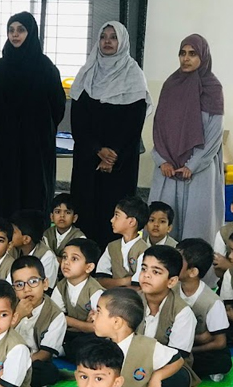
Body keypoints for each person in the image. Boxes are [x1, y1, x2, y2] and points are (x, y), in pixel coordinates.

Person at [0, 11, 66, 259]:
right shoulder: (2, 66)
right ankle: (1, 243)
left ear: (30, 33)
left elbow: (57, 106)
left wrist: (37, 128)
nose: (15, 35)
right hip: (7, 142)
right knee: (6, 188)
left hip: (36, 144)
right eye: (11, 30)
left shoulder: (45, 67)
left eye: (20, 30)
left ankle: (31, 245)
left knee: (33, 190)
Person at [70, 21, 151, 251]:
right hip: (88, 158)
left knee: (116, 211)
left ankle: (114, 258)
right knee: (85, 208)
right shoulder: (87, 73)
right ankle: (83, 257)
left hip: (120, 161)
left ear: (122, 42)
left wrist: (113, 155)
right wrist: (97, 150)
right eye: (103, 36)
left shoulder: (133, 75)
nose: (107, 41)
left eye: (113, 37)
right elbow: (77, 119)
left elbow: (134, 122)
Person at [148, 34, 224, 244]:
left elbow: (214, 134)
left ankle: (196, 266)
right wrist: (161, 160)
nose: (186, 58)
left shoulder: (212, 88)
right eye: (182, 53)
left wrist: (193, 164)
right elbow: (159, 128)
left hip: (199, 169)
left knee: (196, 228)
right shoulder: (171, 85)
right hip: (168, 169)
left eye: (192, 54)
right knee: (162, 226)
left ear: (203, 56)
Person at [93, 288, 183, 387]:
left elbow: (178, 360)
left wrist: (157, 377)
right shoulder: (97, 348)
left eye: (99, 311)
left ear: (117, 322)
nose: (93, 316)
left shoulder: (147, 346)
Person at [137, 245, 199, 387]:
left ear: (171, 281)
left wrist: (156, 376)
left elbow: (177, 357)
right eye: (144, 269)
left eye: (156, 272)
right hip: (133, 360)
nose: (146, 275)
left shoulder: (183, 312)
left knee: (175, 383)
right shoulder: (130, 302)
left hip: (169, 367)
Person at [177, 238, 232, 382]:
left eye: (178, 261)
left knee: (222, 361)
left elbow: (220, 342)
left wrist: (189, 350)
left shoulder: (212, 302)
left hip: (199, 348)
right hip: (175, 341)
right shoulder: (170, 289)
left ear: (193, 271)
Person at [11, 256, 66, 387]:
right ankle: (12, 381)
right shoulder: (8, 305)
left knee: (48, 372)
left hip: (32, 361)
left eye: (33, 282)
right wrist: (18, 316)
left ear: (45, 284)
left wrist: (19, 364)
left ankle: (3, 379)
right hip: (3, 356)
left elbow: (45, 354)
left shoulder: (55, 315)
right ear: (14, 289)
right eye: (19, 285)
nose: (27, 289)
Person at [51, 238, 104, 362]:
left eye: (74, 259)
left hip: (89, 337)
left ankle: (61, 351)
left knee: (89, 344)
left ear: (89, 267)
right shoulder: (61, 286)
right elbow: (54, 318)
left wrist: (67, 320)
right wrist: (83, 325)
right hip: (69, 333)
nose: (66, 262)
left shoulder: (95, 291)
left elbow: (98, 328)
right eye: (64, 257)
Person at [95, 196, 149, 289]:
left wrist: (114, 283)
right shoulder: (112, 247)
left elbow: (137, 286)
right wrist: (126, 281)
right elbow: (100, 280)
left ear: (131, 222)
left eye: (117, 215)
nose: (112, 220)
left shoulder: (144, 250)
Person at [10, 210, 59, 290]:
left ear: (26, 239)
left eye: (13, 232)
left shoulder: (47, 257)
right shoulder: (12, 249)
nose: (9, 234)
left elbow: (45, 289)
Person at [43, 194, 86, 261]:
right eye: (58, 212)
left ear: (74, 218)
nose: (62, 215)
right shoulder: (46, 234)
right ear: (52, 217)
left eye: (67, 212)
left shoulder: (79, 238)